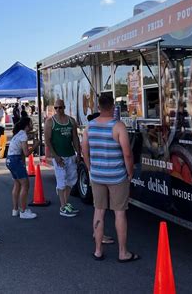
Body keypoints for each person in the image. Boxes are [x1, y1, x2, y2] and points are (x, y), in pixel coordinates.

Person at [82, 94, 139, 262]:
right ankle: (123, 253)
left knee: (98, 211)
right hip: (117, 176)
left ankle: (98, 251)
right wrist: (130, 172)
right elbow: (127, 153)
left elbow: (84, 150)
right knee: (119, 213)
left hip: (98, 176)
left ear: (98, 107)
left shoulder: (89, 127)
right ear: (113, 106)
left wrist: (89, 167)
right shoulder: (118, 126)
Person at [44, 99, 82, 217]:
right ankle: (62, 207)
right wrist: (55, 156)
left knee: (71, 180)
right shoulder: (50, 122)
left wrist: (78, 153)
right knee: (61, 181)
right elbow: (47, 140)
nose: (58, 110)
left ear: (64, 107)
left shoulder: (71, 121)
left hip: (70, 155)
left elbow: (75, 138)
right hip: (59, 156)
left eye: (60, 107)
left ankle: (66, 204)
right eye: (56, 108)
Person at [6, 117, 39, 219]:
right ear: (27, 125)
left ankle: (15, 209)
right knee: (25, 185)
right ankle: (23, 211)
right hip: (16, 160)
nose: (32, 125)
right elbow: (26, 153)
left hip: (10, 160)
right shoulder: (23, 135)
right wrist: (35, 145)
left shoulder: (18, 134)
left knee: (17, 184)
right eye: (31, 123)